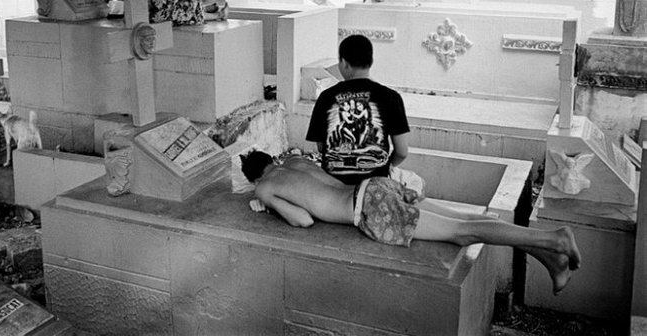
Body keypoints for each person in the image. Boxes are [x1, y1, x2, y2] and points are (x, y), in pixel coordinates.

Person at [240, 150, 581, 295]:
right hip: (376, 185)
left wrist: (269, 204)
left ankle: (555, 240)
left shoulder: (265, 186)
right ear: (272, 159)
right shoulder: (295, 160)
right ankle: (549, 255)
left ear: (254, 178)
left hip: (368, 208)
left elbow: (302, 220)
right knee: (467, 219)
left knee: (463, 233)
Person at [307, 34, 410, 185]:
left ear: (344, 63)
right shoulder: (391, 97)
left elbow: (322, 147)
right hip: (373, 188)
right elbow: (402, 152)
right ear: (371, 61)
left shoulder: (326, 97)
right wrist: (386, 167)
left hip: (333, 188)